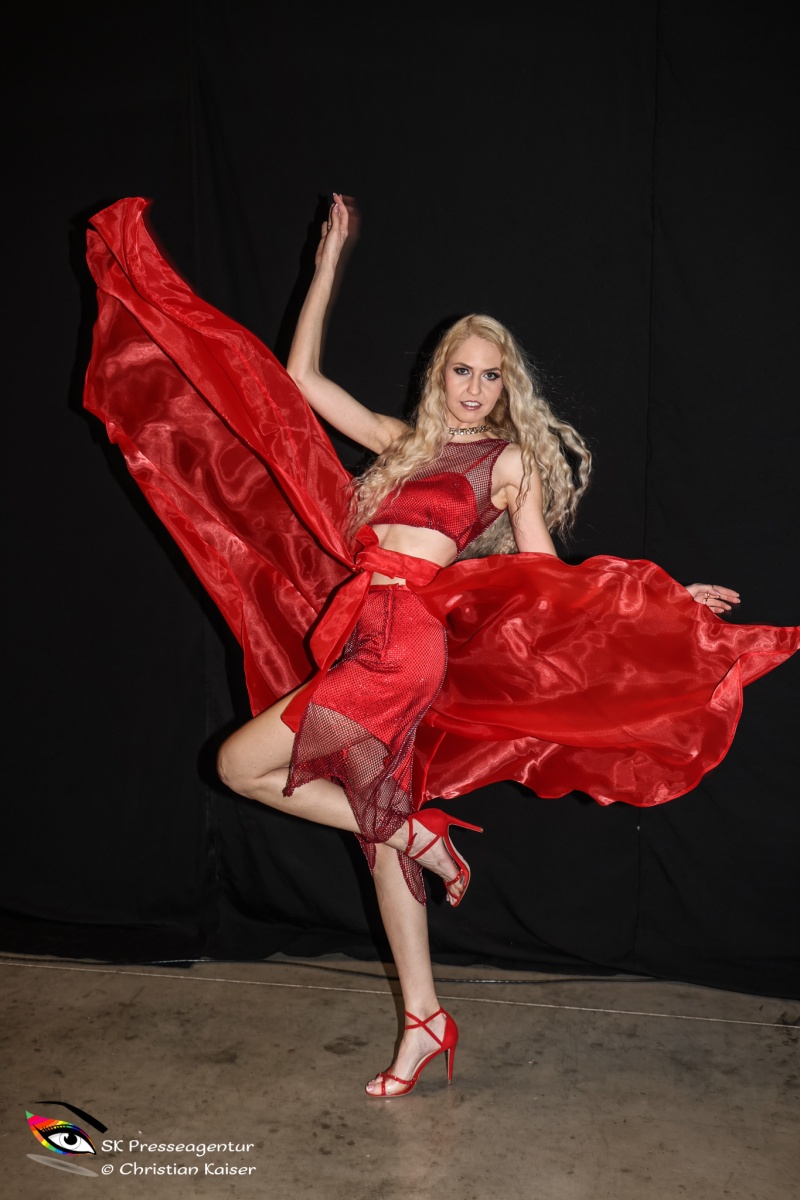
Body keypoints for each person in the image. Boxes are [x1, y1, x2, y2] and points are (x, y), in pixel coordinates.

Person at [83, 192, 797, 1100]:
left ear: (507, 389)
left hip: (403, 646)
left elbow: (550, 576)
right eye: (463, 370)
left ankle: (422, 834)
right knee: (378, 842)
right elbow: (299, 380)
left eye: (491, 377)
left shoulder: (505, 463)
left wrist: (665, 600)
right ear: (441, 375)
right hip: (364, 630)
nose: (474, 387)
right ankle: (424, 1018)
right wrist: (325, 267)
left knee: (238, 765)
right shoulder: (402, 445)